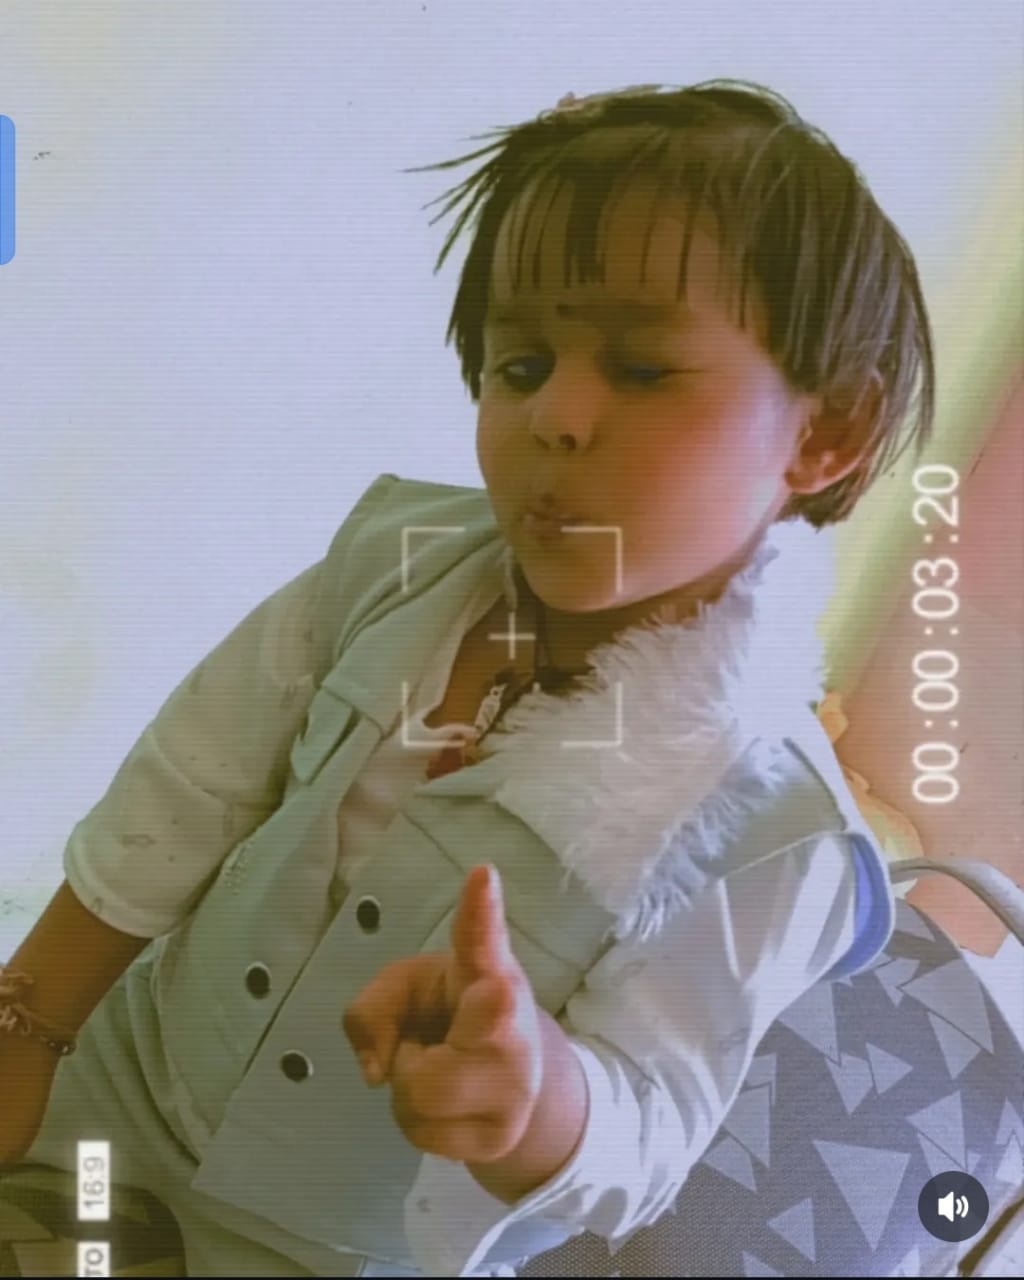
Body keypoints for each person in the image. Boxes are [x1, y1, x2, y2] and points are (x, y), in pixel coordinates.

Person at [0, 79, 935, 1277]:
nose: (557, 415)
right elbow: (184, 787)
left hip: (335, 1251)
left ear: (824, 432)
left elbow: (652, 1118)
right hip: (115, 1113)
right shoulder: (395, 562)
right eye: (521, 362)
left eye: (642, 368)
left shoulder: (774, 825)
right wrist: (29, 1018)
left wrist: (538, 1093)